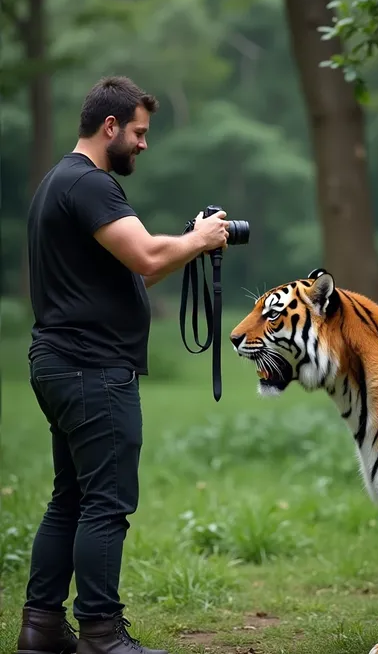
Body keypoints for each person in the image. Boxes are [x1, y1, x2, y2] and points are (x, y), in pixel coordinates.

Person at [16, 76, 229, 654]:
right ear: (109, 127)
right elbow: (147, 253)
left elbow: (139, 270)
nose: (143, 144)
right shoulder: (90, 186)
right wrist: (202, 238)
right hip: (92, 371)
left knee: (72, 499)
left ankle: (41, 629)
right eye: (138, 132)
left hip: (60, 364)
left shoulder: (58, 183)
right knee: (106, 502)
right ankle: (103, 635)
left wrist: (188, 242)